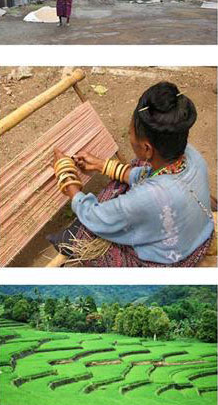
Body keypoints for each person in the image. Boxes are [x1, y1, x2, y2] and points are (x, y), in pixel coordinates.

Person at [49, 81, 214, 267]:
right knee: (138, 166)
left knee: (81, 235)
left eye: (130, 134)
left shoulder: (146, 197)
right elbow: (145, 176)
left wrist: (68, 178)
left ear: (147, 147)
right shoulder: (193, 155)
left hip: (173, 259)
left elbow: (94, 217)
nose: (130, 138)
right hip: (201, 236)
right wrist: (103, 165)